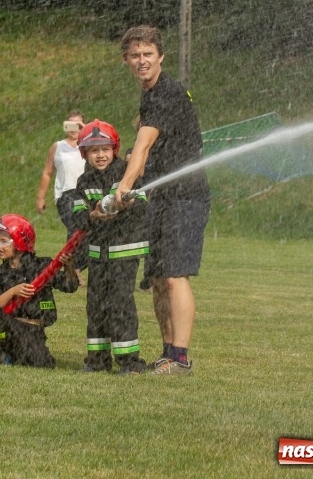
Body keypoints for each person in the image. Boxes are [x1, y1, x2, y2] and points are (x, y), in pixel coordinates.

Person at [115, 25, 211, 376]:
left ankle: (181, 358)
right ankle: (168, 353)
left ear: (161, 57)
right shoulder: (149, 94)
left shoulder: (166, 93)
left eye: (148, 54)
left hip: (186, 197)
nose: (142, 61)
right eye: (135, 55)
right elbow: (145, 148)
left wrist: (124, 186)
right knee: (156, 277)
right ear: (126, 60)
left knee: (173, 275)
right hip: (161, 196)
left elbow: (143, 146)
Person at [72, 120, 149, 375]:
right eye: (94, 150)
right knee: (96, 305)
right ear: (85, 154)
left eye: (105, 149)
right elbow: (77, 214)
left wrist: (126, 205)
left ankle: (130, 362)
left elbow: (143, 205)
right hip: (98, 255)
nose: (100, 155)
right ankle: (97, 360)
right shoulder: (84, 181)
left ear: (114, 149)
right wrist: (92, 215)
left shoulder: (127, 173)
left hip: (123, 252)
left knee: (119, 304)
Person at [0, 213, 79, 368]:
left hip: (32, 329)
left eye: (4, 241)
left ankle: (19, 352)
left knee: (41, 363)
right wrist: (13, 291)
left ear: (21, 241)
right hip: (9, 327)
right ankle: (4, 350)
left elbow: (70, 286)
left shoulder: (42, 267)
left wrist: (69, 266)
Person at [35, 110, 87, 283]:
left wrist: (86, 131)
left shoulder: (89, 144)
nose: (74, 128)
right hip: (66, 194)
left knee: (90, 231)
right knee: (75, 227)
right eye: (70, 124)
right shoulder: (58, 147)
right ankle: (71, 267)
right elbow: (47, 172)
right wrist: (40, 198)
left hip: (86, 193)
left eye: (78, 124)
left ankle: (76, 266)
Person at [125, 115, 151, 292]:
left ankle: (149, 279)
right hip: (139, 200)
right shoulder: (132, 151)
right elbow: (138, 172)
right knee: (137, 238)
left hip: (157, 198)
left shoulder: (164, 151)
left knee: (152, 239)